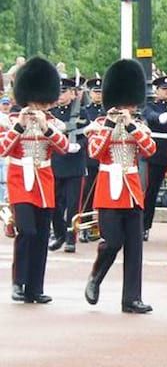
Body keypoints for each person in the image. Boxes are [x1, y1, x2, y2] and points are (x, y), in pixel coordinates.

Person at [84, 59, 156, 314]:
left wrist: (132, 126)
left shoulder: (138, 125)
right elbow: (94, 152)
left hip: (133, 191)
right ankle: (96, 276)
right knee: (112, 242)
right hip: (109, 189)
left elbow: (150, 149)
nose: (127, 108)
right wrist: (110, 124)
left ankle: (131, 298)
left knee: (135, 249)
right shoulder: (99, 126)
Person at [0, 57, 68, 304]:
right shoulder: (9, 121)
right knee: (26, 231)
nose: (40, 105)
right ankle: (18, 283)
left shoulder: (53, 122)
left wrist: (46, 128)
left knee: (41, 235)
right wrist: (18, 127)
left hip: (44, 182)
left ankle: (34, 288)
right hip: (20, 180)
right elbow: (2, 149)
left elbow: (64, 147)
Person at [48, 78, 88, 253]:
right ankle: (59, 234)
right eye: (59, 92)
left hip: (74, 163)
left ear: (73, 93)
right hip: (56, 162)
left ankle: (71, 238)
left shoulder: (82, 112)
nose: (60, 96)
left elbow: (87, 133)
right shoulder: (52, 112)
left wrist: (80, 144)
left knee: (73, 205)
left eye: (64, 92)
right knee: (55, 204)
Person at [141, 75, 167, 241]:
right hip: (156, 154)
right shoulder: (151, 106)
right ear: (157, 90)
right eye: (164, 89)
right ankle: (144, 226)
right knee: (151, 192)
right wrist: (159, 117)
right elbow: (150, 115)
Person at [79, 79, 105, 243]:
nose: (98, 95)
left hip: (104, 158)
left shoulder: (107, 112)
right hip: (89, 157)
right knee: (87, 194)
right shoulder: (85, 111)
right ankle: (85, 226)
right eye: (96, 92)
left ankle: (99, 227)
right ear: (90, 93)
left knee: (101, 195)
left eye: (101, 92)